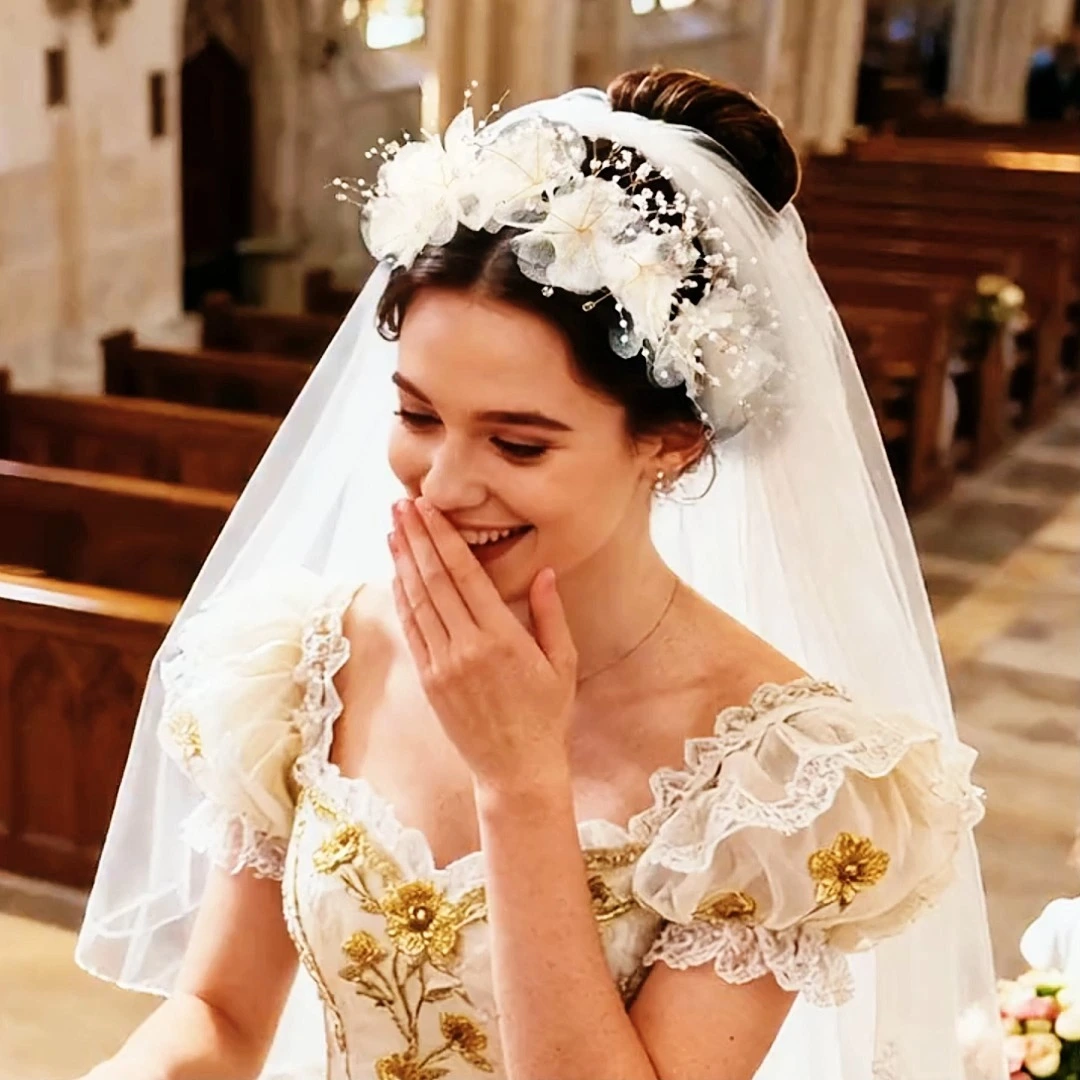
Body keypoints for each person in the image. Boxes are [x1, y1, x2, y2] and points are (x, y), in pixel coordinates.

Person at [75, 68, 1006, 1080]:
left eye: (519, 445)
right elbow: (215, 1014)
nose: (441, 483)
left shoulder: (780, 777)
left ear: (673, 444)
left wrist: (519, 778)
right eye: (419, 416)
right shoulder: (303, 666)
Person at [1026, 41, 1080, 122]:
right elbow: (1034, 108)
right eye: (1065, 55)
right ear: (1057, 56)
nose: (1067, 59)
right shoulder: (1041, 78)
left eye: (1071, 56)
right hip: (1046, 127)